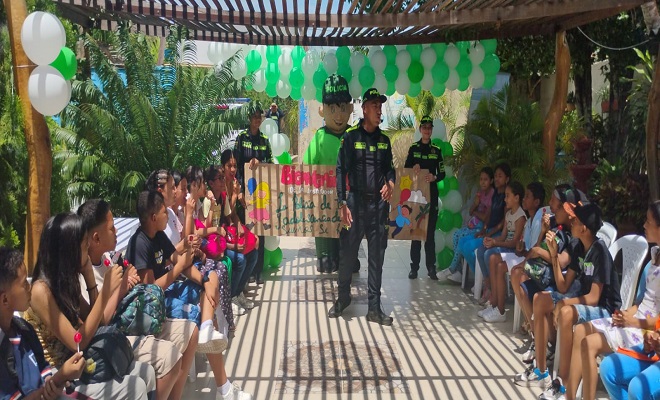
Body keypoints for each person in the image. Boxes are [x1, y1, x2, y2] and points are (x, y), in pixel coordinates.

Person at [127, 191, 252, 400]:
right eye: (163, 212)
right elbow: (150, 290)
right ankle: (224, 388)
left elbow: (182, 264)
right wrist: (179, 269)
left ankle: (207, 329)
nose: (167, 215)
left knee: (212, 277)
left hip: (167, 292)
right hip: (152, 306)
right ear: (153, 217)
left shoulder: (158, 236)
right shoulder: (140, 243)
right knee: (200, 312)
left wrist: (205, 281)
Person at [77, 198, 198, 400]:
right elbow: (100, 323)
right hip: (115, 334)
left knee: (190, 331)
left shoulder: (107, 260)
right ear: (96, 238)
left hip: (133, 320)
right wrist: (121, 287)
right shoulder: (83, 275)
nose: (116, 231)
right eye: (111, 228)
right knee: (169, 357)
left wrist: (127, 284)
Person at [25, 213, 155, 399]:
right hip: (59, 375)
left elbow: (97, 323)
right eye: (84, 246)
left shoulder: (65, 283)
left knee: (147, 372)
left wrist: (89, 277)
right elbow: (77, 342)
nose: (88, 250)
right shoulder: (41, 290)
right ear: (69, 251)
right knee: (136, 387)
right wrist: (106, 291)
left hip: (81, 363)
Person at [570, 201, 660, 400]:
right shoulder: (654, 257)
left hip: (646, 331)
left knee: (589, 344)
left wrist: (632, 321)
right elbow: (644, 301)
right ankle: (569, 394)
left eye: (648, 221)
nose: (644, 225)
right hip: (635, 320)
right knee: (581, 331)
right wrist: (628, 313)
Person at [328, 88, 395, 326]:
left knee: (377, 257)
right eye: (375, 105)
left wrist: (391, 183)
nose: (379, 110)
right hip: (355, 203)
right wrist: (342, 203)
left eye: (380, 106)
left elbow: (390, 169)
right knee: (347, 254)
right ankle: (343, 298)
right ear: (364, 109)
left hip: (378, 207)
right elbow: (340, 170)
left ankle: (374, 309)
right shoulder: (350, 137)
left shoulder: (384, 141)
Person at [0, 247, 86, 400]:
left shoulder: (24, 329)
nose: (29, 287)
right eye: (24, 283)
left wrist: (52, 384)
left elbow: (43, 367)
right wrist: (61, 376)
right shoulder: (3, 348)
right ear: (5, 299)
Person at [303, 74, 355, 274]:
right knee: (324, 225)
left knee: (348, 227)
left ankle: (347, 256)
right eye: (332, 109)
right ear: (322, 110)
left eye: (342, 108)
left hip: (347, 196)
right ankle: (325, 256)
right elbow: (306, 166)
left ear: (350, 108)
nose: (338, 115)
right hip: (323, 196)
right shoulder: (320, 137)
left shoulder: (353, 136)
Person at [234, 104, 273, 285]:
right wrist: (238, 191)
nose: (257, 119)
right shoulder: (241, 138)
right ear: (249, 118)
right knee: (246, 229)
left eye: (260, 116)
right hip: (245, 195)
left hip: (261, 195)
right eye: (254, 116)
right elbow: (235, 166)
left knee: (261, 231)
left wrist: (261, 162)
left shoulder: (265, 140)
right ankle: (247, 271)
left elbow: (271, 164)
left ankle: (258, 272)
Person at [404, 115, 445, 280]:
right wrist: (413, 168)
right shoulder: (413, 148)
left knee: (429, 234)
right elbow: (406, 169)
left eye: (429, 128)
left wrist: (435, 177)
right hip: (417, 196)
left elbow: (442, 173)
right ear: (420, 129)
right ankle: (414, 268)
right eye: (424, 127)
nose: (427, 130)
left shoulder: (437, 150)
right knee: (416, 232)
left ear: (432, 130)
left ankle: (431, 268)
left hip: (432, 195)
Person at [480, 181, 527, 322]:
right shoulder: (508, 214)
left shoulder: (521, 217)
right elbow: (503, 236)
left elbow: (514, 242)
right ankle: (494, 303)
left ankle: (498, 305)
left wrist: (496, 243)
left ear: (516, 198)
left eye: (507, 196)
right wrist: (491, 240)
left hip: (513, 250)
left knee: (491, 255)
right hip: (506, 247)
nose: (505, 199)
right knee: (486, 252)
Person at [439, 167, 494, 282]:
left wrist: (476, 212)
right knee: (456, 235)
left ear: (491, 181)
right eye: (481, 179)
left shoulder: (492, 195)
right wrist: (476, 204)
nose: (483, 182)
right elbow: (471, 211)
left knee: (461, 237)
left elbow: (485, 217)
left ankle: (452, 268)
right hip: (475, 225)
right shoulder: (480, 193)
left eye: (486, 179)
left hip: (483, 228)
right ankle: (459, 271)